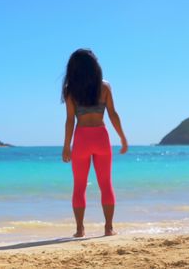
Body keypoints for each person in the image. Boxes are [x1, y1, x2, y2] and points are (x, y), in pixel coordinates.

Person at [61, 48, 128, 237]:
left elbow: (70, 120)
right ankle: (108, 228)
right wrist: (122, 137)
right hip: (101, 137)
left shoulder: (70, 91)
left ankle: (80, 230)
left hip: (81, 138)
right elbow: (113, 114)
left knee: (79, 185)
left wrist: (67, 146)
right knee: (106, 184)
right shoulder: (105, 87)